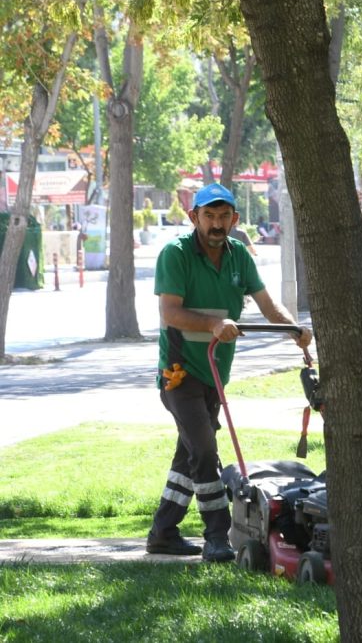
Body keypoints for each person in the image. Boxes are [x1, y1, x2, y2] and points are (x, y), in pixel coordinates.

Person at [146, 182, 312, 562]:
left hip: (215, 375)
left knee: (188, 456)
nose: (217, 224)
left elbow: (269, 305)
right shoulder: (176, 254)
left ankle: (163, 533)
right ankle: (218, 536)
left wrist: (294, 330)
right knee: (205, 452)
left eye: (224, 217)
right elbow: (169, 313)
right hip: (180, 374)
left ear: (235, 219)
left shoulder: (239, 255)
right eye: (209, 216)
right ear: (194, 218)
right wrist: (214, 325)